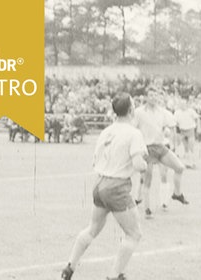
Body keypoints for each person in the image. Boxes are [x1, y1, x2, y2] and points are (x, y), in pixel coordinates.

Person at [61, 93, 147, 280]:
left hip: (100, 183)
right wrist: (145, 164)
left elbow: (95, 159)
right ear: (131, 110)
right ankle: (115, 275)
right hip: (117, 186)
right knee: (134, 234)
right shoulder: (134, 133)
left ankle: (69, 267)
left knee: (93, 228)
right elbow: (139, 164)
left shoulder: (106, 131)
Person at [133, 87, 188, 219]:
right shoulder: (139, 112)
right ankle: (147, 209)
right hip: (146, 148)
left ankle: (177, 193)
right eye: (150, 95)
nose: (153, 97)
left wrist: (174, 142)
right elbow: (132, 129)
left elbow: (172, 125)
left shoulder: (162, 112)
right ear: (146, 97)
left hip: (160, 146)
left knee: (179, 167)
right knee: (147, 180)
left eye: (155, 95)